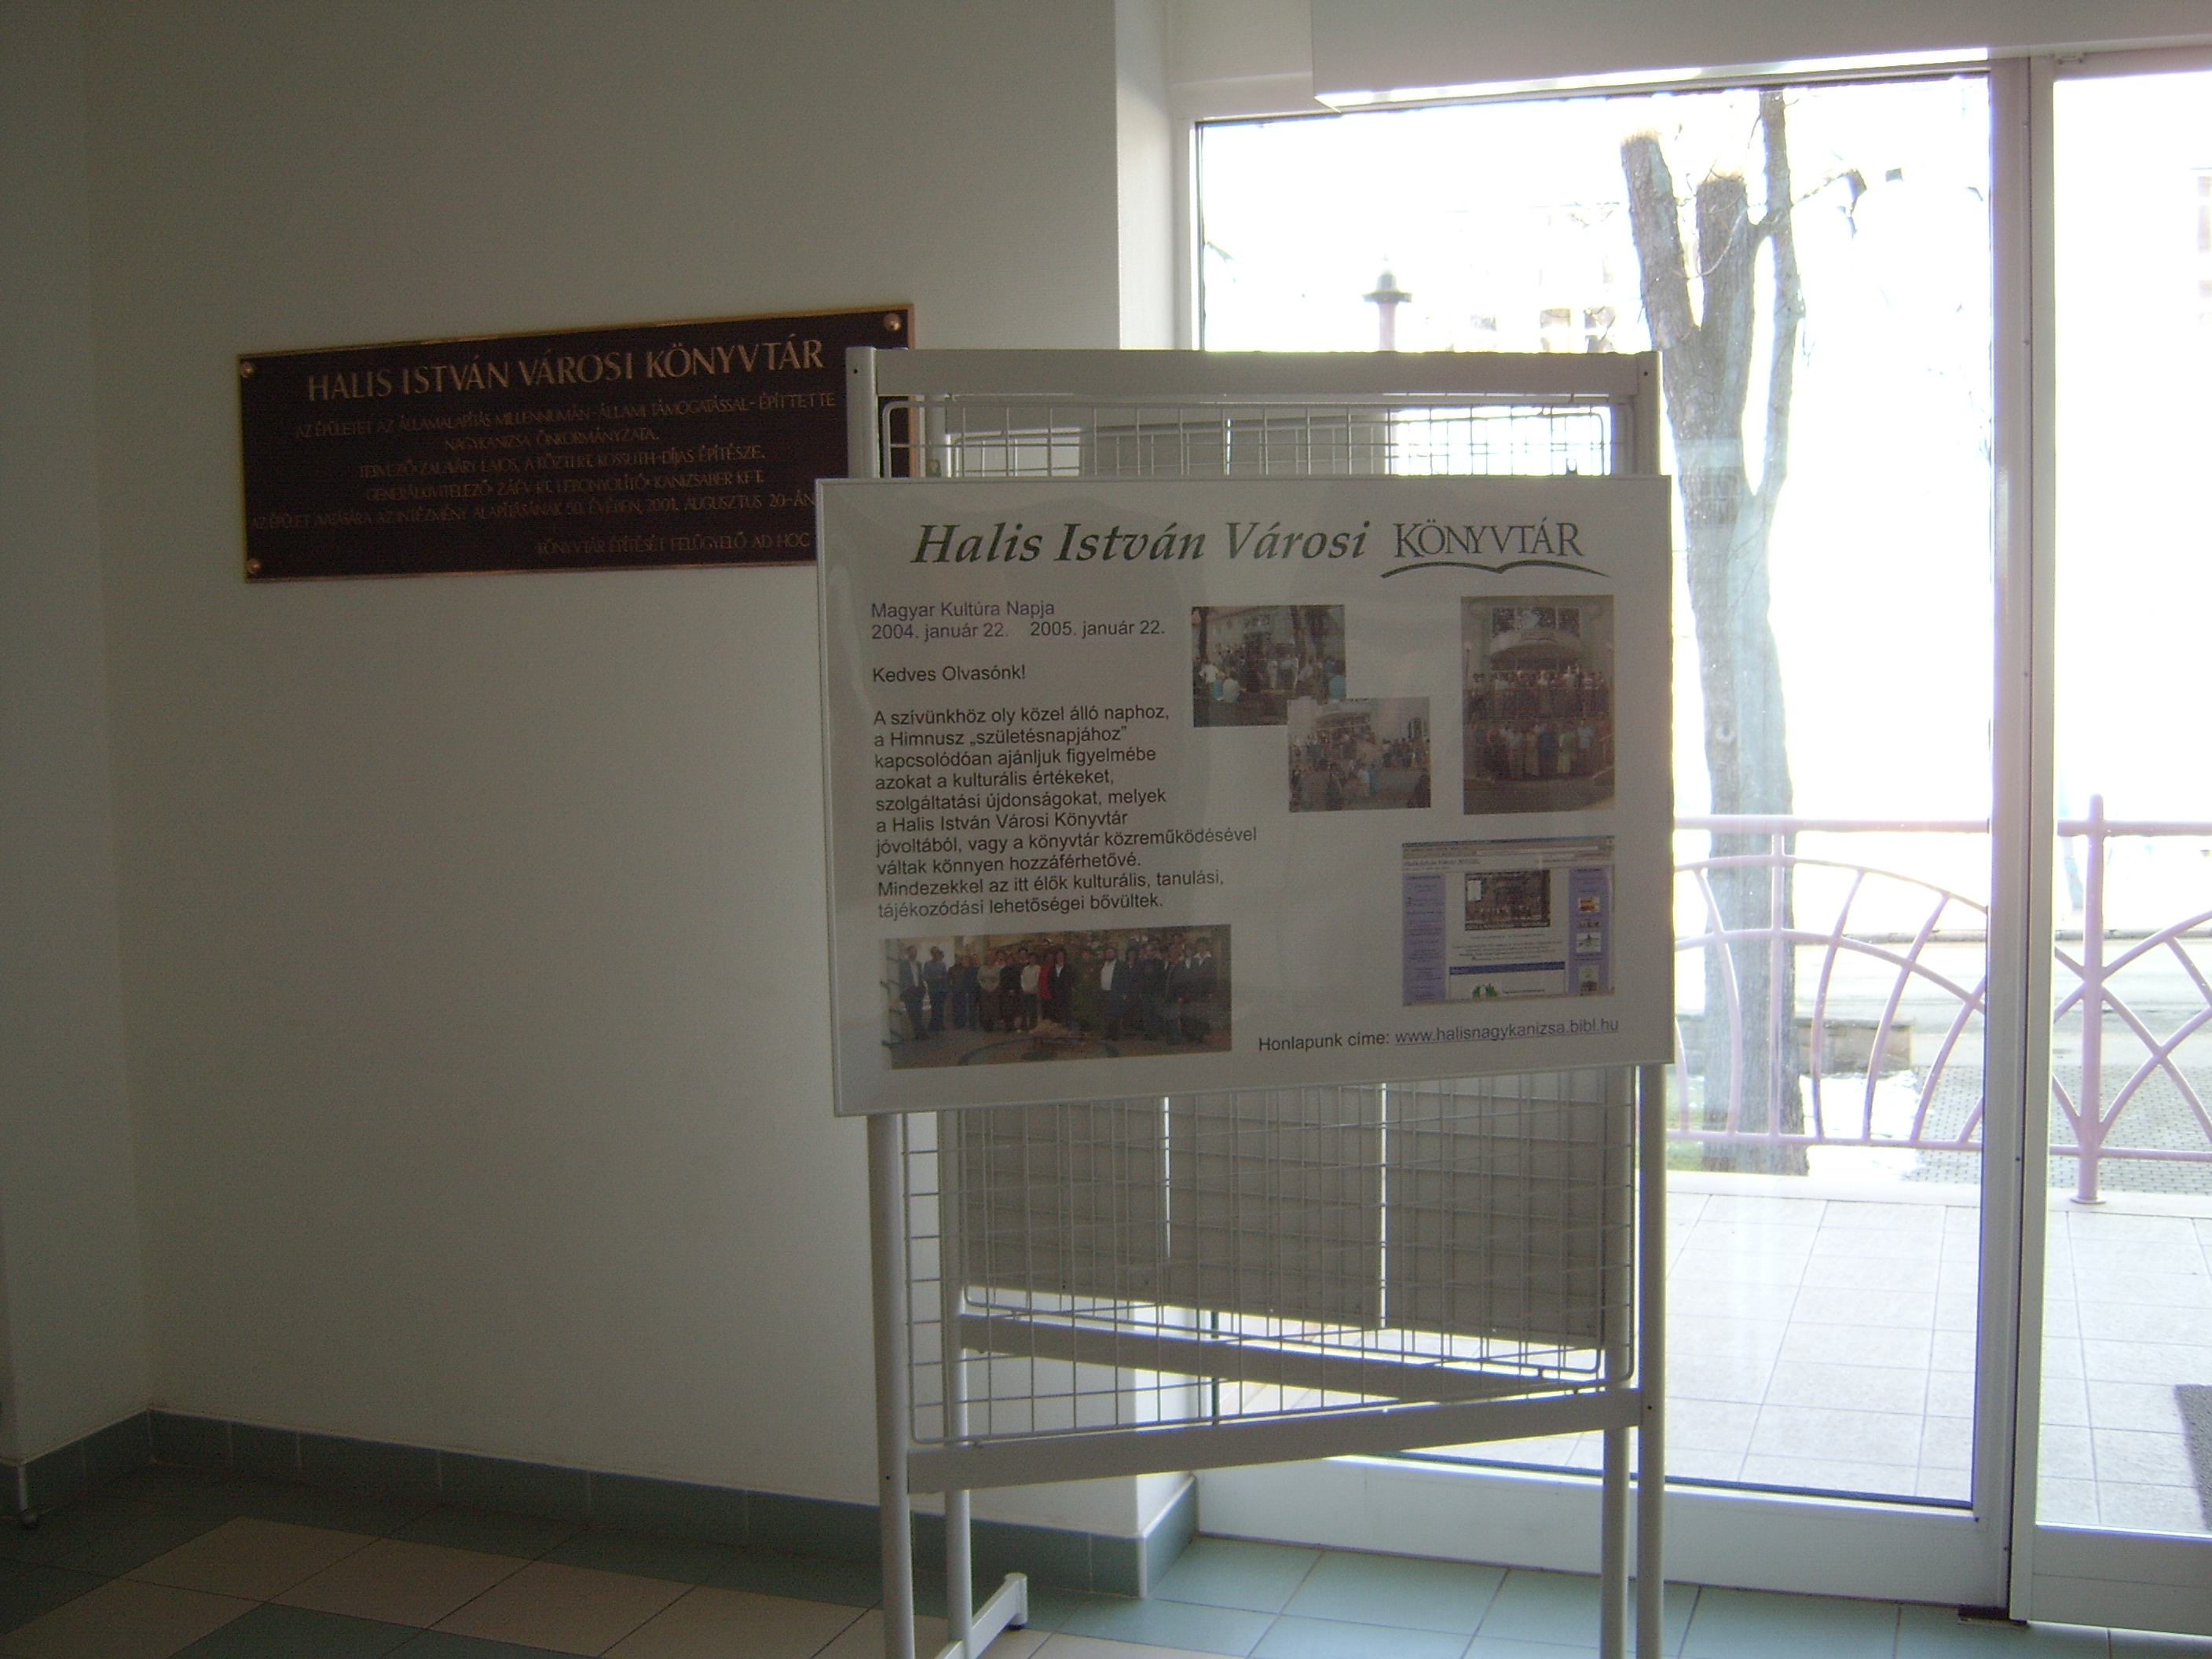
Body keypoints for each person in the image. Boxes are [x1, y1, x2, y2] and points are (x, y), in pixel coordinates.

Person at [895, 945, 926, 1042]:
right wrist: (902, 992)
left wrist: (923, 988)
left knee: (919, 1012)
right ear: (908, 953)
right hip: (909, 991)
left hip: (918, 991)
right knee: (912, 1013)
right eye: (912, 952)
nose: (914, 954)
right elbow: (901, 979)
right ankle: (918, 1032)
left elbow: (920, 977)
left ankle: (921, 1032)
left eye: (915, 952)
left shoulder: (918, 964)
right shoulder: (903, 965)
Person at [922, 947, 949, 1035]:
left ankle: (940, 1024)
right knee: (935, 1007)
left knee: (941, 1008)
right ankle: (934, 1025)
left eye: (937, 952)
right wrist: (934, 979)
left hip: (942, 989)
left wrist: (943, 978)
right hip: (933, 990)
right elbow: (925, 976)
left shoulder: (942, 964)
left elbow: (945, 976)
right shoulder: (928, 964)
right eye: (934, 953)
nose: (936, 954)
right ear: (932, 954)